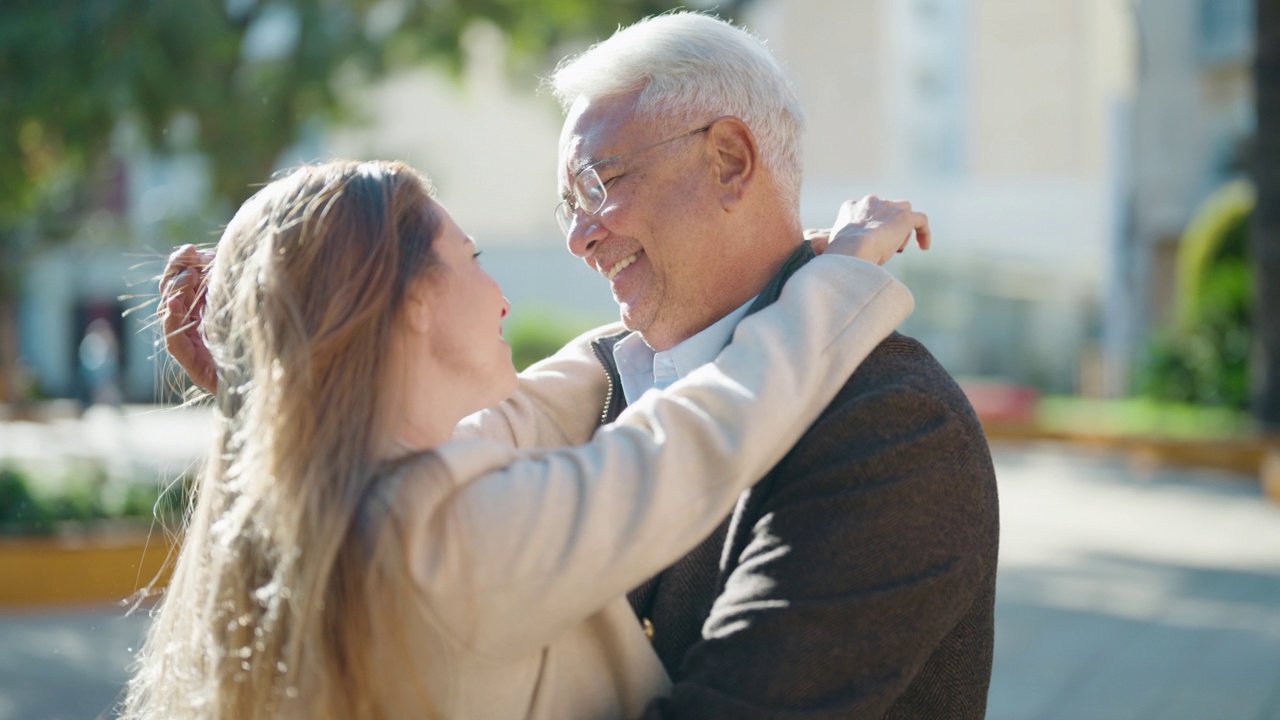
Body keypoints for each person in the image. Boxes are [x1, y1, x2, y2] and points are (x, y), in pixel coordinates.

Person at [163, 12, 998, 718]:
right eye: (569, 206)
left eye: (600, 183)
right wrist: (836, 278)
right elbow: (691, 433)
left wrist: (273, 374)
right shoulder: (455, 505)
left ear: (731, 162)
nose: (576, 236)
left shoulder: (893, 420)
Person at [132, 159, 920, 719]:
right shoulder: (437, 539)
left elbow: (540, 407)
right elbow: (700, 437)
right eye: (473, 261)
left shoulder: (319, 507)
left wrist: (720, 294)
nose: (502, 296)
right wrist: (843, 273)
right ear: (410, 303)